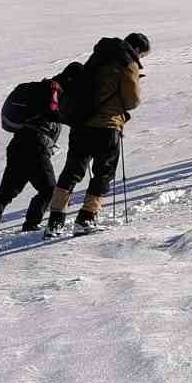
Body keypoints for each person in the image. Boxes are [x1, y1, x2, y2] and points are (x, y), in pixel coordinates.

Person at [44, 32, 150, 237]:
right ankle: (87, 217)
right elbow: (132, 102)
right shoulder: (128, 63)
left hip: (81, 124)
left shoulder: (97, 57)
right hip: (107, 126)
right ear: (137, 50)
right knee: (104, 172)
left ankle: (54, 221)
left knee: (72, 171)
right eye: (143, 55)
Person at [0, 63, 80, 240]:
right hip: (36, 146)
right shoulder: (54, 91)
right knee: (49, 190)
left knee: (5, 194)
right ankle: (31, 225)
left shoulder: (44, 89)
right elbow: (54, 114)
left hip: (18, 144)